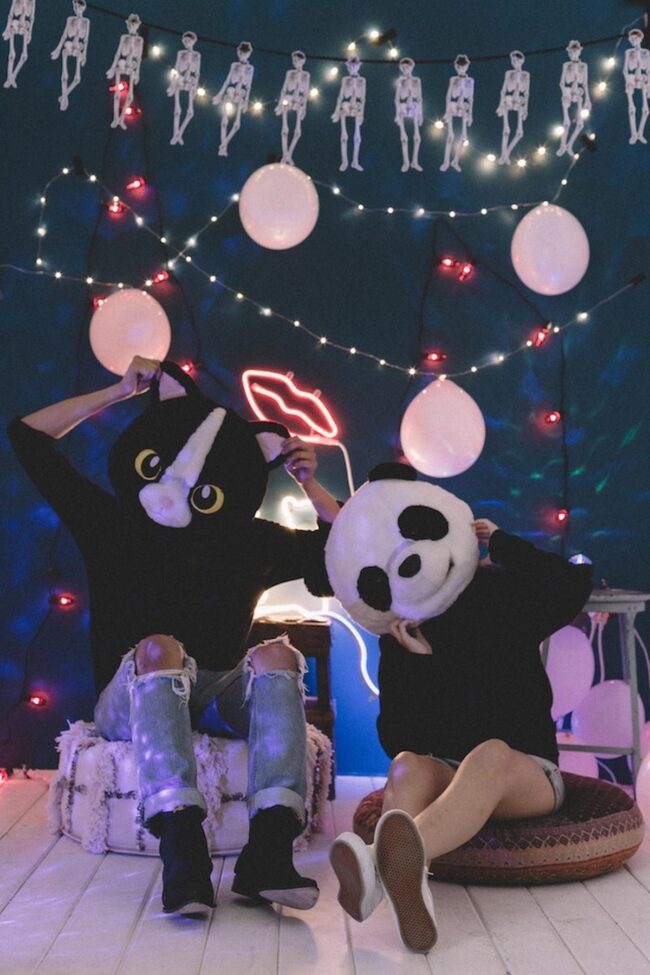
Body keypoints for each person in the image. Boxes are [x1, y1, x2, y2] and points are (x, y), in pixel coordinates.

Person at [8, 356, 340, 917]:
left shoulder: (249, 540)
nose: (171, 494)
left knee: (278, 655)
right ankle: (182, 845)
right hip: (131, 695)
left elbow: (336, 555)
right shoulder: (111, 524)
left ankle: (269, 847)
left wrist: (310, 484)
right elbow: (28, 438)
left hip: (212, 692)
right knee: (160, 646)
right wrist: (117, 392)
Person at [327, 472, 592, 953]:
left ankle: (379, 862)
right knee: (406, 765)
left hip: (525, 772)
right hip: (446, 770)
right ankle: (407, 881)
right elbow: (399, 739)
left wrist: (504, 544)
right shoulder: (403, 630)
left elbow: (574, 584)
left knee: (490, 754)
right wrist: (418, 664)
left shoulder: (502, 595)